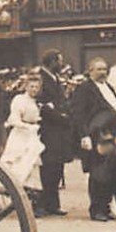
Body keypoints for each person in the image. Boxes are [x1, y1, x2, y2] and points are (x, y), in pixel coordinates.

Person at [70, 58, 116, 221]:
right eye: (99, 69)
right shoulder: (84, 89)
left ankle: (106, 206)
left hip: (113, 136)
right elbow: (78, 114)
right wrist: (84, 135)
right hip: (97, 136)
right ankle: (97, 209)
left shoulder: (108, 87)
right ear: (90, 71)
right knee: (98, 173)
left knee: (111, 171)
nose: (103, 72)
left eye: (105, 69)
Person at [34, 50, 75, 217]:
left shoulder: (56, 78)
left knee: (57, 166)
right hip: (48, 129)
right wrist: (60, 117)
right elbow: (41, 104)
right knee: (48, 167)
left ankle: (53, 203)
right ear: (51, 62)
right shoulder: (41, 78)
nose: (61, 64)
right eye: (59, 61)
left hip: (58, 130)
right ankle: (43, 203)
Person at [0, 70, 46, 198]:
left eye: (37, 87)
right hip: (20, 135)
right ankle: (14, 191)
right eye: (31, 86)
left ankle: (29, 197)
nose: (34, 90)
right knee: (18, 163)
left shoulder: (35, 101)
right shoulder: (19, 100)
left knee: (31, 165)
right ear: (25, 86)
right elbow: (13, 120)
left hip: (32, 136)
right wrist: (28, 127)